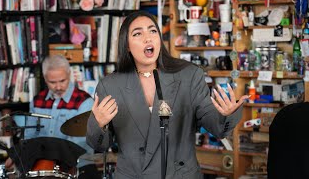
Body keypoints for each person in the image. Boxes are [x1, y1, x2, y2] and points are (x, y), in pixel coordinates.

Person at [86, 10, 249, 179]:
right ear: (126, 45)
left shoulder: (189, 75)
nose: (147, 38)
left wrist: (226, 115)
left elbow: (216, 127)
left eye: (153, 31)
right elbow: (100, 145)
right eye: (137, 33)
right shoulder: (110, 86)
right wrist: (98, 124)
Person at [5, 55, 101, 179]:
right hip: (42, 166)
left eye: (62, 81)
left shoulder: (84, 102)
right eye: (52, 82)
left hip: (78, 166)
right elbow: (29, 137)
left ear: (69, 74)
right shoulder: (37, 101)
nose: (58, 87)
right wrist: (18, 153)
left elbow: (77, 143)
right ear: (45, 79)